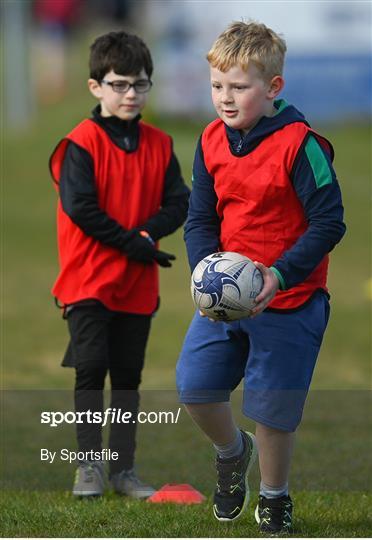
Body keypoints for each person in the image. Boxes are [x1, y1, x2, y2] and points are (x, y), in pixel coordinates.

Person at [176, 21, 345, 534]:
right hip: (225, 298)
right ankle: (232, 455)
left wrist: (280, 275)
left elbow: (329, 221)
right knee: (195, 390)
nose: (225, 99)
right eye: (217, 86)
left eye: (239, 87)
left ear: (273, 88)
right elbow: (200, 219)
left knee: (272, 411)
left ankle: (274, 497)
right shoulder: (210, 140)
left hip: (290, 301)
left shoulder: (301, 144)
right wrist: (205, 273)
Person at [49, 31, 190, 499]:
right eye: (120, 84)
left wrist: (147, 236)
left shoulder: (159, 142)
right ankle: (87, 466)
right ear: (96, 87)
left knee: (128, 377)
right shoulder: (79, 145)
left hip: (137, 281)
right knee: (91, 367)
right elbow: (81, 210)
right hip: (87, 278)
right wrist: (136, 243)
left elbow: (180, 202)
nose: (131, 94)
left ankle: (123, 470)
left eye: (141, 84)